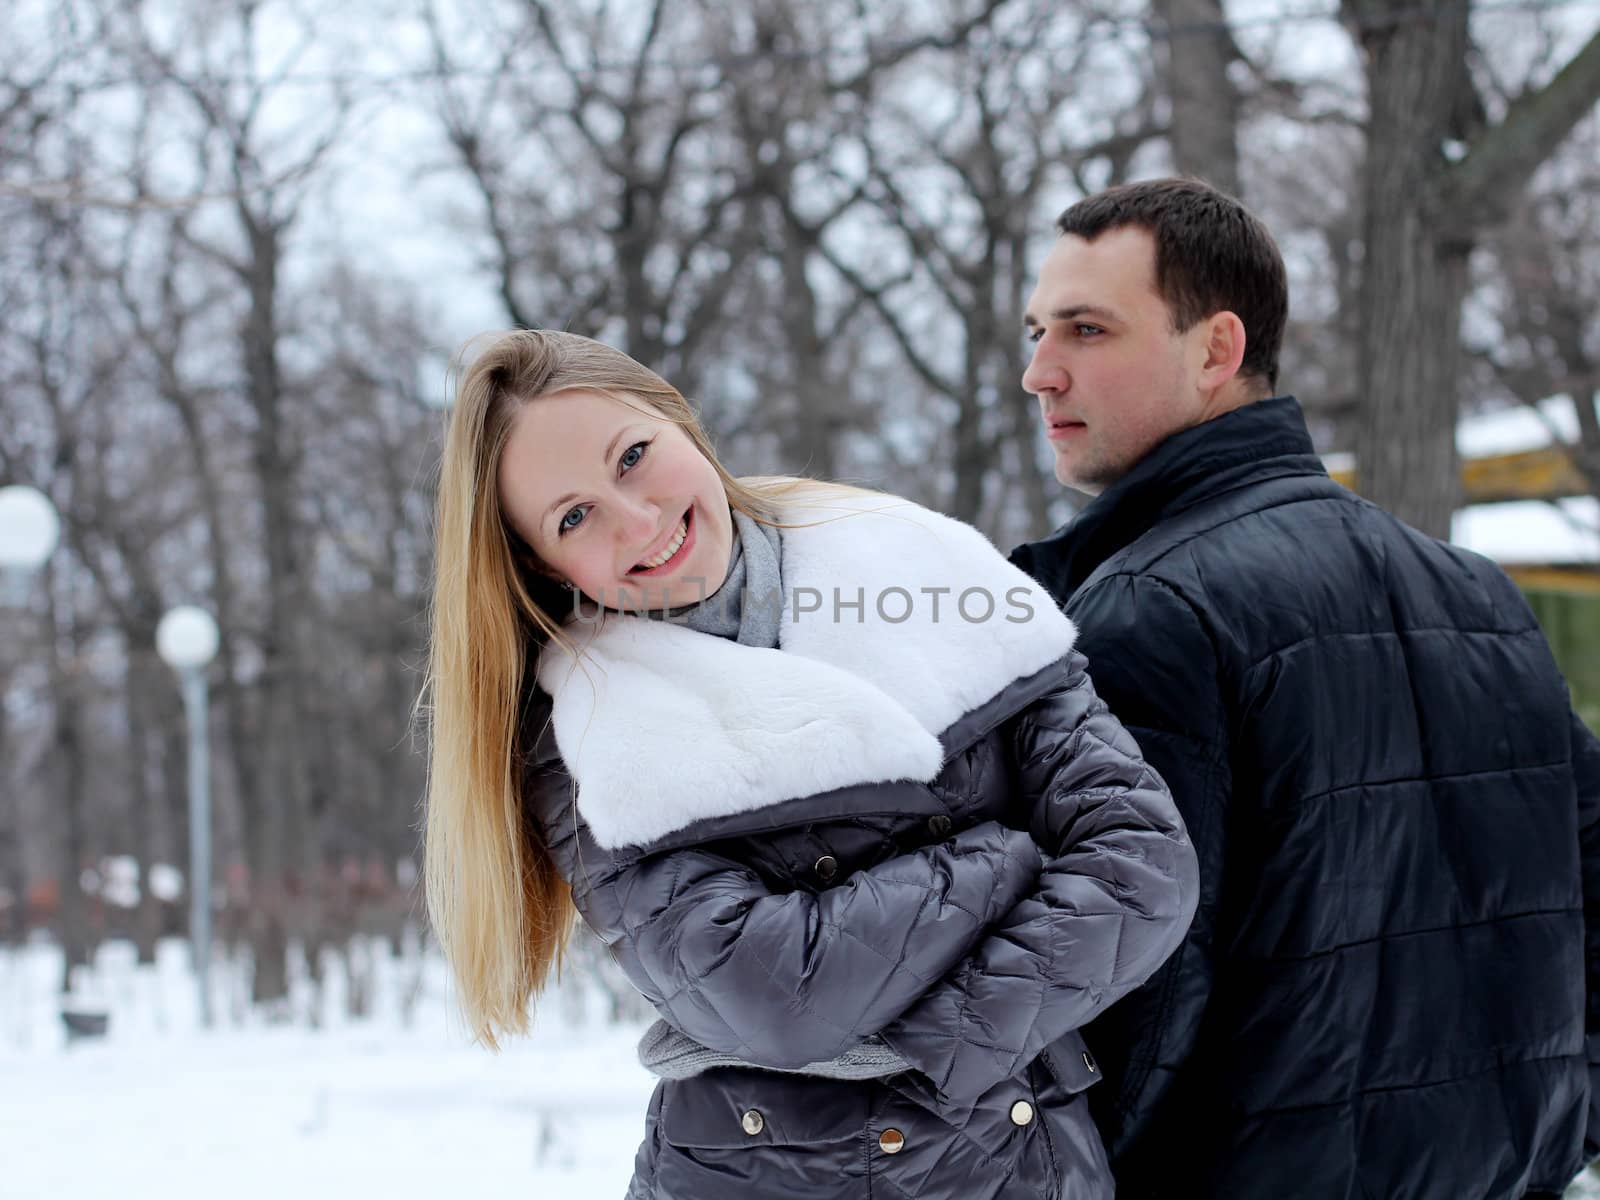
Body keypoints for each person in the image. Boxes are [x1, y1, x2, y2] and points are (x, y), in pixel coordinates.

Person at [421, 328, 1198, 1199]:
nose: (637, 521)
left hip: (1021, 1167)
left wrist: (930, 1038)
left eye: (633, 456)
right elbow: (771, 994)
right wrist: (1002, 857)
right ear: (540, 562)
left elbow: (1146, 867)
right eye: (574, 516)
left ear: (680, 422)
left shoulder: (924, 572)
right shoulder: (582, 730)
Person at [1009, 176, 1600, 1199]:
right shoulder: (1477, 593)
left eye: (1086, 331)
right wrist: (1550, 1129)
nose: (1038, 374)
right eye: (1035, 332)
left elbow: (1122, 1004)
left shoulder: (1148, 613)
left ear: (1216, 350)